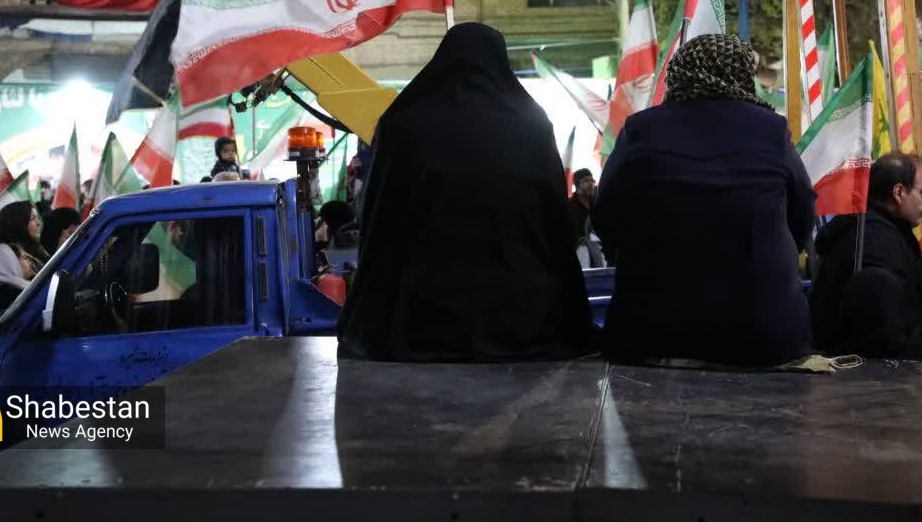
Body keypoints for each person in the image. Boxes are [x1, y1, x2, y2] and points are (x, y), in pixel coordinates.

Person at [337, 22, 597, 361]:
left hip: (414, 314)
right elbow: (553, 220)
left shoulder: (402, 123)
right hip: (518, 314)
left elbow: (378, 213)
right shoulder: (530, 124)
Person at [594, 34, 816, 367]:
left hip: (649, 335)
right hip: (765, 336)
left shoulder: (641, 129)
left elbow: (605, 212)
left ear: (678, 73)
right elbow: (802, 211)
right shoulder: (771, 129)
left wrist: (635, 256)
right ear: (742, 74)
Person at [809, 153, 922, 360]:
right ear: (899, 192)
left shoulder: (863, 230)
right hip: (877, 373)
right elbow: (890, 341)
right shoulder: (882, 243)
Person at [0, 201, 43, 316]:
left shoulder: (35, 249)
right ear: (18, 223)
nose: (38, 223)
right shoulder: (2, 255)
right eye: (32, 219)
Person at [567, 168, 605, 267]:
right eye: (586, 181)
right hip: (578, 253)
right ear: (577, 185)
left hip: (597, 249)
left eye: (592, 180)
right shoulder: (569, 207)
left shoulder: (597, 206)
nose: (591, 184)